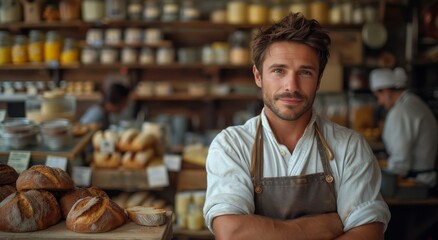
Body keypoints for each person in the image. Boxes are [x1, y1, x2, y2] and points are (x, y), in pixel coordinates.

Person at [203, 12, 390, 239]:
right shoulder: (232, 145)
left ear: (319, 80)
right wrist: (325, 226)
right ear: (258, 75)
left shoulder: (349, 146)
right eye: (279, 70)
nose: (291, 86)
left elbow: (368, 233)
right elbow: (232, 232)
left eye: (305, 72)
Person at [369, 67, 438, 193]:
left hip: (417, 185)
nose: (379, 102)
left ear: (386, 91)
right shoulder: (413, 102)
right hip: (426, 180)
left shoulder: (400, 112)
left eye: (378, 96)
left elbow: (400, 163)